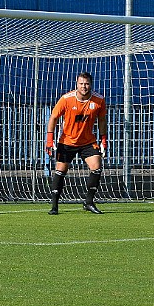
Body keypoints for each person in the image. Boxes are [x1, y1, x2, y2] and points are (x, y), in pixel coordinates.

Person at [46, 71, 108, 215]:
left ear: (90, 84)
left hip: (88, 142)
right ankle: (54, 206)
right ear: (77, 84)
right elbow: (54, 117)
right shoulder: (66, 99)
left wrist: (103, 140)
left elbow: (102, 120)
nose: (84, 87)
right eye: (81, 84)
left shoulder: (99, 100)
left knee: (96, 166)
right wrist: (50, 139)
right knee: (60, 170)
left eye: (86, 84)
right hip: (67, 141)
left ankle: (89, 202)